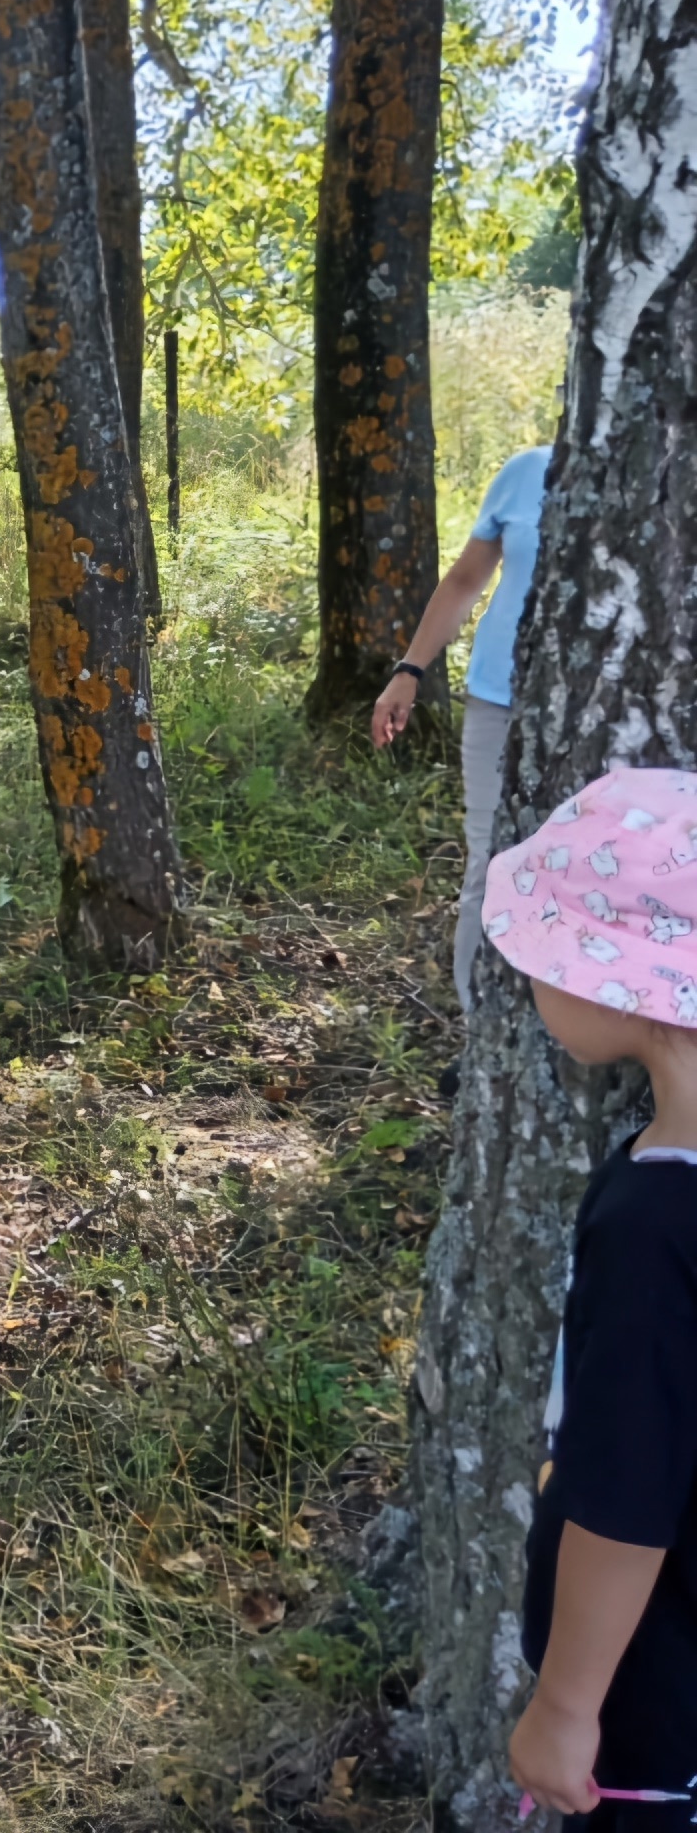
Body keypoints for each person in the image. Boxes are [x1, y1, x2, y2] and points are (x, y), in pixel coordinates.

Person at [491, 767, 697, 1821]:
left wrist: (567, 1706)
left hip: (661, 1709)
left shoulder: (653, 1225)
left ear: (625, 984)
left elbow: (625, 1500)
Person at [371, 442, 551, 1012]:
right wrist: (408, 671)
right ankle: (480, 1028)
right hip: (497, 698)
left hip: (604, 714)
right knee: (491, 862)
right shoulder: (527, 471)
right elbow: (465, 581)